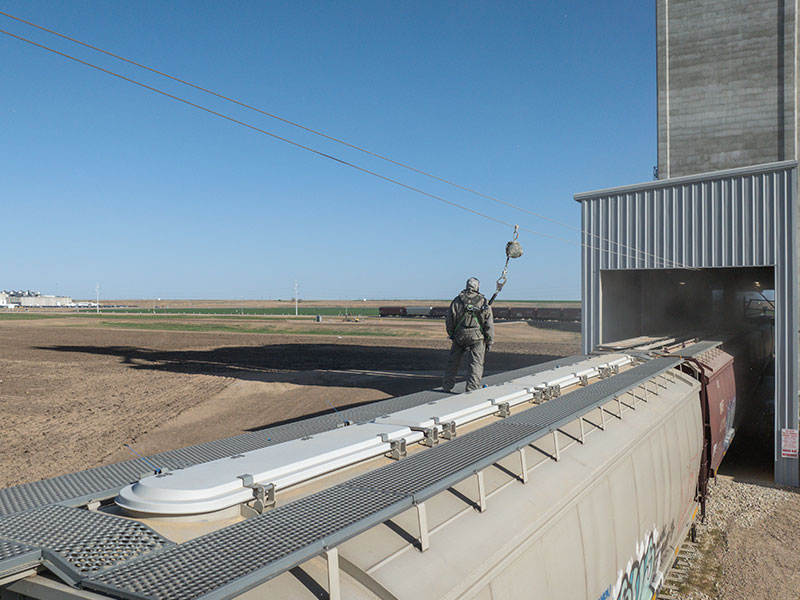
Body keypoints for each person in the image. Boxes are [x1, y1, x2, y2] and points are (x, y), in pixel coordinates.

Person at [442, 277, 494, 392]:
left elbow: (449, 320)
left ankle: (447, 386)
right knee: (476, 364)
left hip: (459, 335)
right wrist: (489, 340)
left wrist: (451, 334)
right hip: (477, 337)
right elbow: (489, 324)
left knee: (453, 362)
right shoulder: (483, 301)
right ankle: (472, 388)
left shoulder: (456, 301)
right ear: (477, 287)